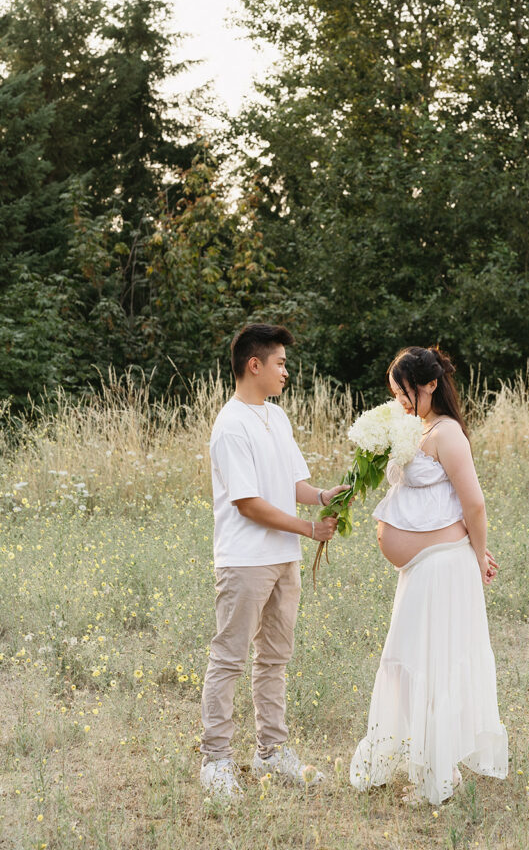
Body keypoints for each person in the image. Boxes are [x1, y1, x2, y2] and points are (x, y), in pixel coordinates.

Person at [350, 346, 508, 805]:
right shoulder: (416, 428)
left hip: (443, 566)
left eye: (406, 391)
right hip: (420, 568)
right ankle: (414, 758)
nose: (399, 399)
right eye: (396, 392)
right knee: (407, 662)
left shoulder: (447, 433)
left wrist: (478, 555)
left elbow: (473, 503)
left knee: (431, 664)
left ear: (431, 385)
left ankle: (440, 775)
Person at [199, 323, 345, 800]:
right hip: (245, 561)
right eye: (280, 362)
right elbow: (248, 502)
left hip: (285, 558)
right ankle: (216, 761)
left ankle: (273, 751)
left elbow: (294, 485)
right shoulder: (230, 424)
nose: (287, 370)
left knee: (275, 659)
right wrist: (308, 528)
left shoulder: (276, 417)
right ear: (253, 365)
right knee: (229, 659)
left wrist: (324, 496)